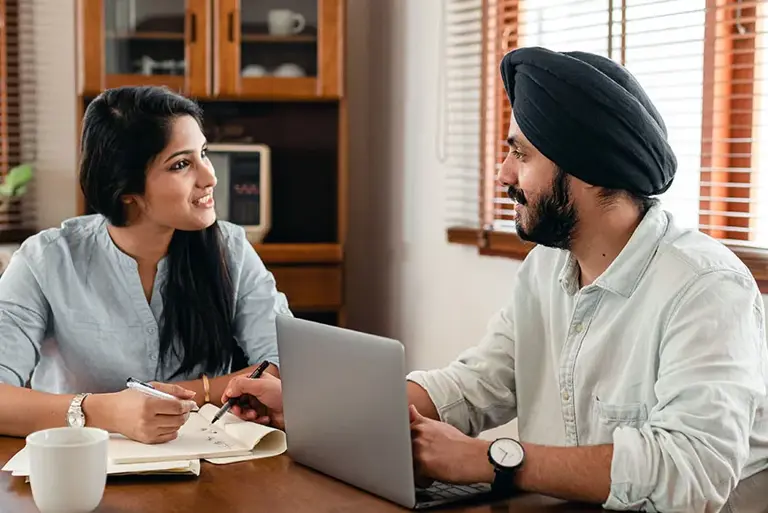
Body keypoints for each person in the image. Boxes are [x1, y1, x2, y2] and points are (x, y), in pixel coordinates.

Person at [222, 46, 768, 511]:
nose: (504, 174)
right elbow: (476, 383)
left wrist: (485, 459)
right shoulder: (548, 267)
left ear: (587, 170)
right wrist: (318, 406)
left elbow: (695, 471)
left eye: (520, 155)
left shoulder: (706, 287)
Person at [0, 85, 290, 445]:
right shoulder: (44, 260)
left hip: (212, 468)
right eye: (182, 164)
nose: (209, 177)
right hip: (85, 469)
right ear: (125, 188)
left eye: (203, 153)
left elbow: (283, 363)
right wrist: (106, 411)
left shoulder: (231, 249)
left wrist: (179, 396)